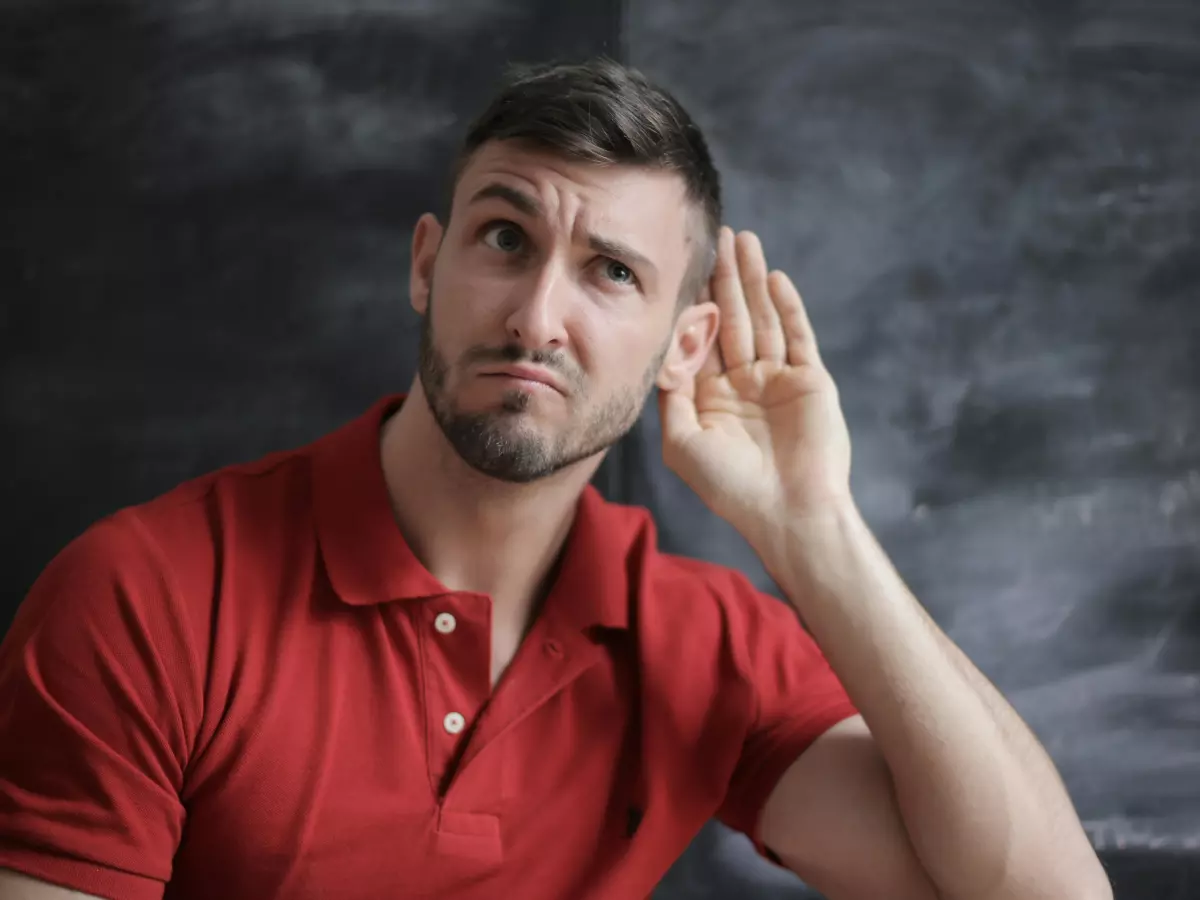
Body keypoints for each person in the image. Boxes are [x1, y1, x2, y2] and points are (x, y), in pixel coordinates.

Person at [0, 58, 1110, 900]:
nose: (537, 317)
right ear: (428, 265)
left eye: (612, 273)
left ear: (686, 346)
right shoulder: (144, 595)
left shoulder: (704, 649)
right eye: (503, 239)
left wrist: (814, 528)